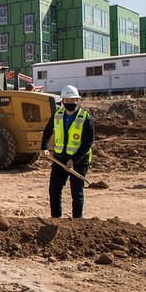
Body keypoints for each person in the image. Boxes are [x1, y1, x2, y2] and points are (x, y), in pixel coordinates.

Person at [40, 85, 95, 219]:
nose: (70, 103)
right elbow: (47, 131)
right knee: (54, 190)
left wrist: (74, 160)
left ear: (77, 100)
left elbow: (87, 143)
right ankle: (56, 218)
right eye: (67, 100)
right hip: (59, 159)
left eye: (73, 100)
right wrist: (44, 147)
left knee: (77, 192)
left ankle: (77, 221)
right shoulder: (57, 115)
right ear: (62, 101)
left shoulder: (85, 118)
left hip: (80, 161)